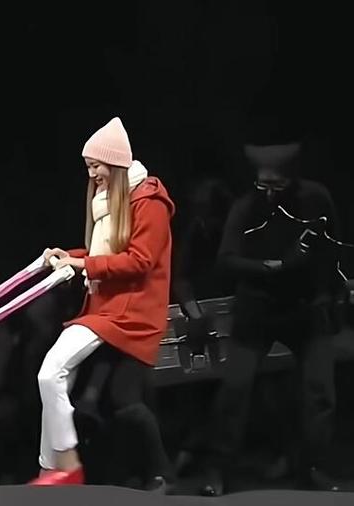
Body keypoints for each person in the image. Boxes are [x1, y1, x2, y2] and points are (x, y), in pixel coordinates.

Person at [30, 117, 175, 487]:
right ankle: (55, 468)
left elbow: (140, 260)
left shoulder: (149, 203)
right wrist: (70, 256)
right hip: (105, 308)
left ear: (115, 163)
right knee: (118, 399)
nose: (92, 174)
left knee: (54, 373)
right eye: (88, 167)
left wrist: (83, 264)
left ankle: (64, 465)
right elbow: (105, 253)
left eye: (96, 166)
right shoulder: (107, 201)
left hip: (131, 311)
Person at [199, 133, 343, 495]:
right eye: (263, 185)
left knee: (319, 391)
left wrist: (326, 293)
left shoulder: (316, 198)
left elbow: (332, 250)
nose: (269, 194)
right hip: (257, 310)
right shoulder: (246, 206)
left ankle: (313, 468)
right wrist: (272, 266)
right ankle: (218, 470)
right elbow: (226, 259)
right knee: (235, 389)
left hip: (304, 309)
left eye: (277, 186)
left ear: (292, 178)